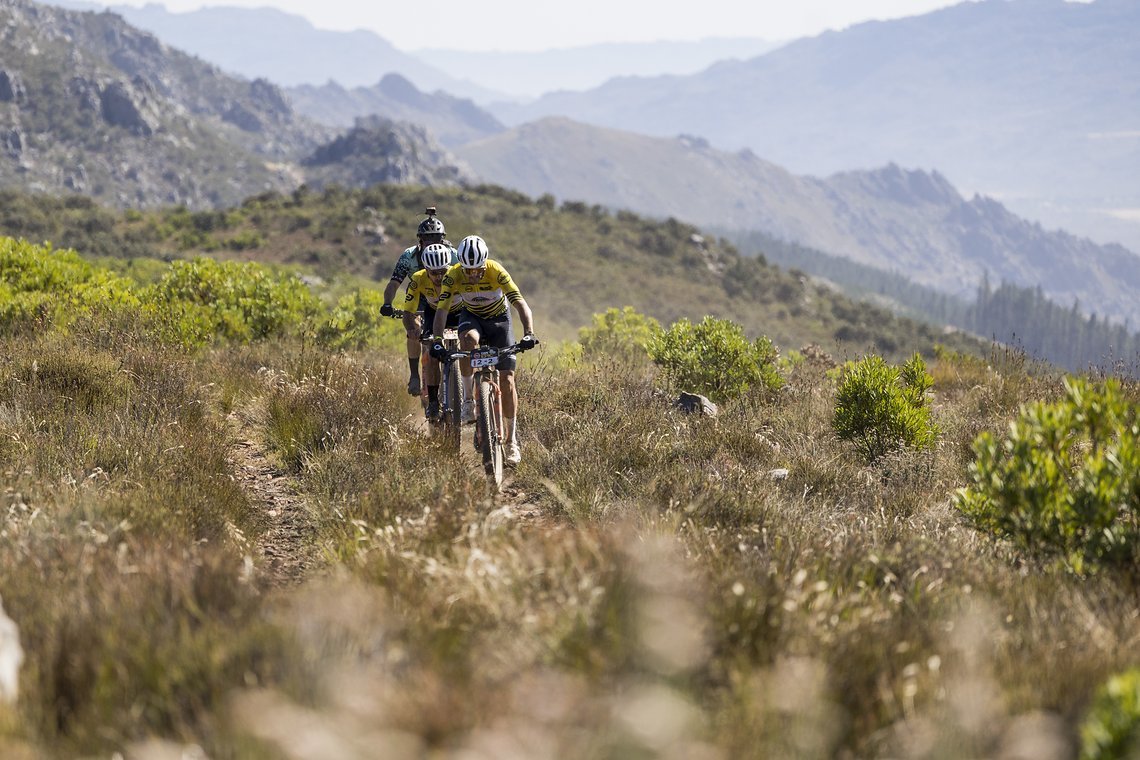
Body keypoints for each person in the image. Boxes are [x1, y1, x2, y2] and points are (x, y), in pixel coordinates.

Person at [430, 235, 537, 466]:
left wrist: (528, 332)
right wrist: (437, 339)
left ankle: (511, 442)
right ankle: (469, 400)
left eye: (477, 270)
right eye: (467, 270)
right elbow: (441, 311)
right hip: (473, 318)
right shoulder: (453, 275)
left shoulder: (496, 271)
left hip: (500, 321)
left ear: (484, 263)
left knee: (508, 380)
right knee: (467, 341)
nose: (472, 275)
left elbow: (520, 303)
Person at [380, 207, 457, 396]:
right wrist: (388, 303)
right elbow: (394, 282)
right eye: (427, 239)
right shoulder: (408, 256)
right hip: (419, 299)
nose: (432, 243)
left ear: (443, 240)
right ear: (420, 241)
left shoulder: (453, 254)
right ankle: (414, 375)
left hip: (447, 297)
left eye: (437, 239)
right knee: (413, 329)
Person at [401, 243, 459, 421]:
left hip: (459, 311)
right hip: (434, 314)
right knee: (432, 352)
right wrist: (412, 329)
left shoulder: (458, 273)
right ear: (425, 269)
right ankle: (433, 401)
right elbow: (408, 312)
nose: (439, 276)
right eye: (434, 273)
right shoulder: (418, 279)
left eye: (443, 271)